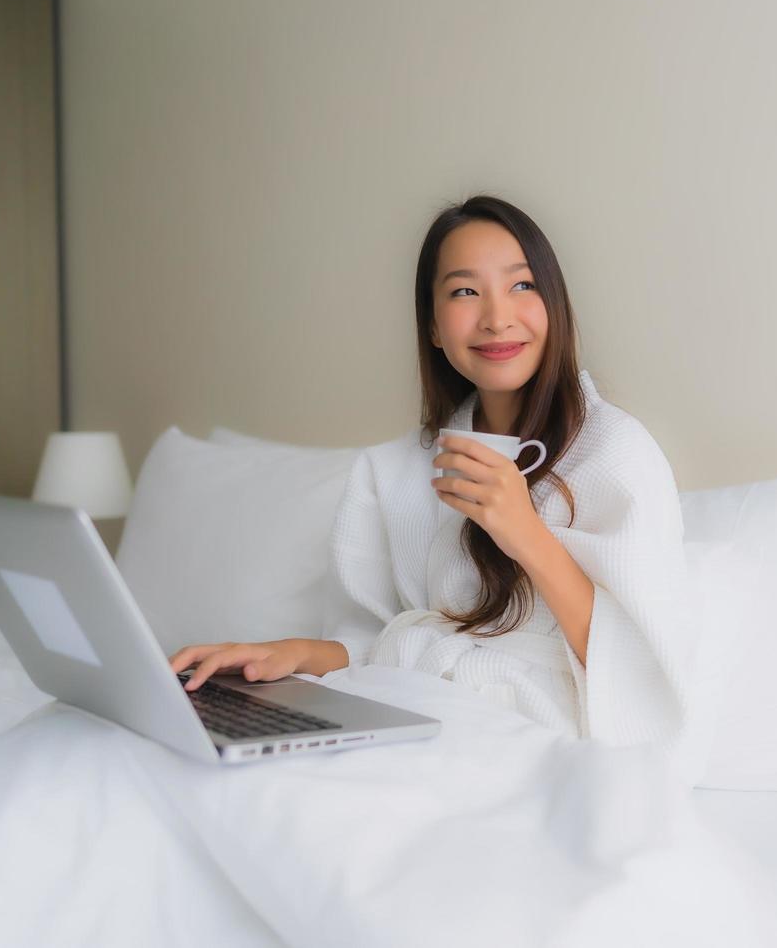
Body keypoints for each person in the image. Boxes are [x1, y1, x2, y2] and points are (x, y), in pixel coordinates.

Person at [169, 195, 693, 748]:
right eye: (465, 291)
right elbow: (376, 645)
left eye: (522, 285)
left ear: (554, 306)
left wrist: (526, 534)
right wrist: (290, 654)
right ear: (434, 327)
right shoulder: (391, 471)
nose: (497, 317)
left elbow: (640, 674)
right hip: (416, 706)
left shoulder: (616, 452)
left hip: (537, 732)